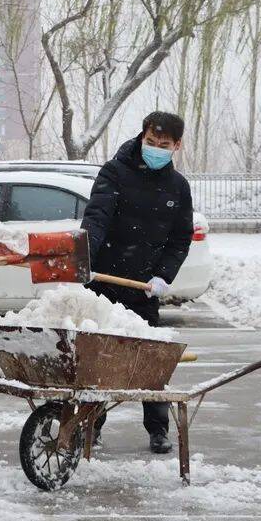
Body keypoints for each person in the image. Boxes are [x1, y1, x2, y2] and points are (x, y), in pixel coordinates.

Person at [81, 111, 194, 454]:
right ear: (142, 136)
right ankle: (90, 425)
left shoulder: (178, 187)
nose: (155, 149)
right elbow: (96, 218)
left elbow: (180, 239)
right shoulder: (115, 172)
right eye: (150, 142)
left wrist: (163, 275)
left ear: (176, 145)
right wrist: (84, 259)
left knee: (150, 361)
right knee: (96, 360)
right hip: (104, 283)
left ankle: (158, 430)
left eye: (163, 145)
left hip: (145, 288)